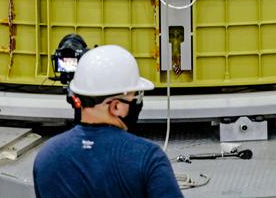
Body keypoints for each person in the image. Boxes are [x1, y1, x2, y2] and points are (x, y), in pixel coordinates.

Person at [33, 44, 183, 198]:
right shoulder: (147, 158)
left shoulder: (47, 156)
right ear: (116, 106)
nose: (138, 103)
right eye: (135, 97)